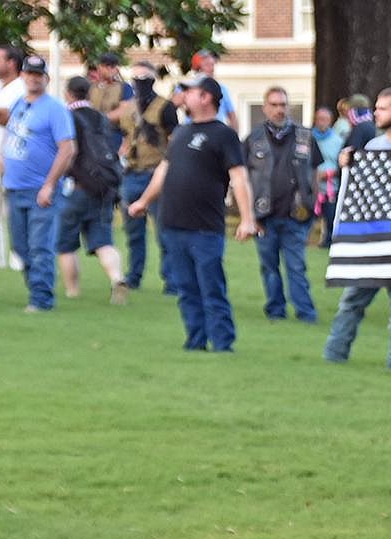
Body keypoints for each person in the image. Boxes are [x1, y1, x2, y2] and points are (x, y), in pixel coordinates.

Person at [127, 76, 257, 351]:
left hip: (205, 227)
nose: (182, 96)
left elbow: (240, 177)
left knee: (211, 287)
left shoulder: (223, 135)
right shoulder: (181, 133)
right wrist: (143, 200)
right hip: (173, 223)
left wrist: (247, 219)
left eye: (189, 92)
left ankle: (223, 343)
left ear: (206, 97)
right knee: (186, 289)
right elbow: (163, 170)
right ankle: (195, 340)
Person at [323, 87, 391, 369]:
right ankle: (334, 356)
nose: (375, 114)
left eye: (382, 108)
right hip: (373, 241)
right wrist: (349, 166)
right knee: (351, 300)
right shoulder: (374, 147)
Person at [0, 55, 75, 312]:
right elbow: (10, 131)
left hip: (41, 189)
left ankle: (41, 298)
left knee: (40, 245)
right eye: (29, 74)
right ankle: (36, 287)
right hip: (15, 186)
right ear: (23, 76)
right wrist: (3, 158)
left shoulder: (55, 108)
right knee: (21, 246)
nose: (33, 78)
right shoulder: (19, 103)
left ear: (46, 78)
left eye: (38, 75)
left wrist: (50, 184)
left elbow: (67, 148)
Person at [243, 86, 322, 323]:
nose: (279, 110)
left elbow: (315, 172)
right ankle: (275, 309)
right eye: (274, 105)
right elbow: (242, 178)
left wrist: (314, 205)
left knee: (296, 266)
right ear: (265, 107)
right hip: (263, 214)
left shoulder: (305, 136)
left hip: (296, 213)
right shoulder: (253, 139)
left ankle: (305, 313)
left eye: (283, 104)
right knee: (269, 266)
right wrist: (248, 215)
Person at [57, 76, 128, 305]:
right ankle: (117, 278)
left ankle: (72, 291)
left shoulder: (67, 117)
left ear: (68, 93)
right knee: (103, 241)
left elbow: (69, 152)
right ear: (88, 93)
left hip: (77, 188)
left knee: (66, 244)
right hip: (103, 188)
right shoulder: (100, 118)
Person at [118, 60, 179, 292]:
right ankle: (134, 276)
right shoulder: (128, 108)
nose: (139, 84)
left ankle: (171, 280)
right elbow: (124, 138)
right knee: (133, 233)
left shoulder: (165, 107)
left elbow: (174, 140)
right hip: (132, 172)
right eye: (136, 79)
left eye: (144, 79)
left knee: (164, 231)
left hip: (157, 174)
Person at [0, 45, 25, 270]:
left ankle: (20, 259)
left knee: (16, 212)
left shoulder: (22, 88)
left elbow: (15, 118)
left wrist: (2, 115)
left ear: (11, 63)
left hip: (14, 157)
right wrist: (0, 114)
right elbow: (1, 115)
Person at [88, 52, 133, 153]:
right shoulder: (92, 88)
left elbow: (124, 111)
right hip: (92, 137)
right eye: (105, 66)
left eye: (112, 67)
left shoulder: (124, 88)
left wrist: (101, 118)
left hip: (114, 136)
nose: (110, 70)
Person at [312, 106, 343, 247]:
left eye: (324, 119)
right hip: (311, 186)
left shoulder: (338, 141)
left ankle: (328, 241)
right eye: (319, 119)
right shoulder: (308, 138)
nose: (321, 122)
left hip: (331, 187)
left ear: (330, 121)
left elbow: (341, 164)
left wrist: (330, 173)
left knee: (330, 216)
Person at [190, 50, 238, 130]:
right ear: (198, 68)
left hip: (216, 134)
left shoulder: (222, 89)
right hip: (193, 134)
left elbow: (232, 116)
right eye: (207, 65)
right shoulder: (187, 88)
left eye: (213, 64)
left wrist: (234, 137)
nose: (212, 68)